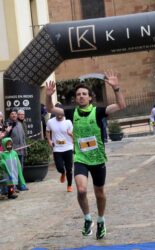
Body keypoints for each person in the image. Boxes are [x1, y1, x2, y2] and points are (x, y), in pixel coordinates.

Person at [45, 71, 126, 240]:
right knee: (81, 190)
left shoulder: (98, 112)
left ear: (90, 98)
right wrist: (48, 96)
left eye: (84, 94)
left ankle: (101, 220)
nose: (81, 96)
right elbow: (51, 109)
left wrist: (116, 88)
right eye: (78, 95)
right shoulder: (70, 113)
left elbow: (121, 106)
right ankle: (88, 218)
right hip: (80, 158)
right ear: (75, 99)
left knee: (99, 193)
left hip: (97, 159)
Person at [46, 105, 74, 192]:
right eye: (57, 112)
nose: (59, 114)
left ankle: (69, 185)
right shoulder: (50, 122)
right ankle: (62, 172)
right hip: (57, 148)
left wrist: (71, 135)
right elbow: (47, 131)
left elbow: (74, 135)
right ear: (55, 112)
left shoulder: (68, 122)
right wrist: (49, 140)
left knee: (69, 168)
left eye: (61, 112)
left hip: (68, 147)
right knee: (59, 167)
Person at [7, 110, 28, 191]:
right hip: (13, 151)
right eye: (12, 114)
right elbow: (6, 138)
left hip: (21, 150)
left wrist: (25, 148)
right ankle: (14, 186)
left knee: (20, 168)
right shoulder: (8, 124)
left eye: (15, 114)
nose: (14, 115)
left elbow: (23, 137)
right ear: (9, 115)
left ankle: (21, 185)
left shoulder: (19, 124)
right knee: (13, 169)